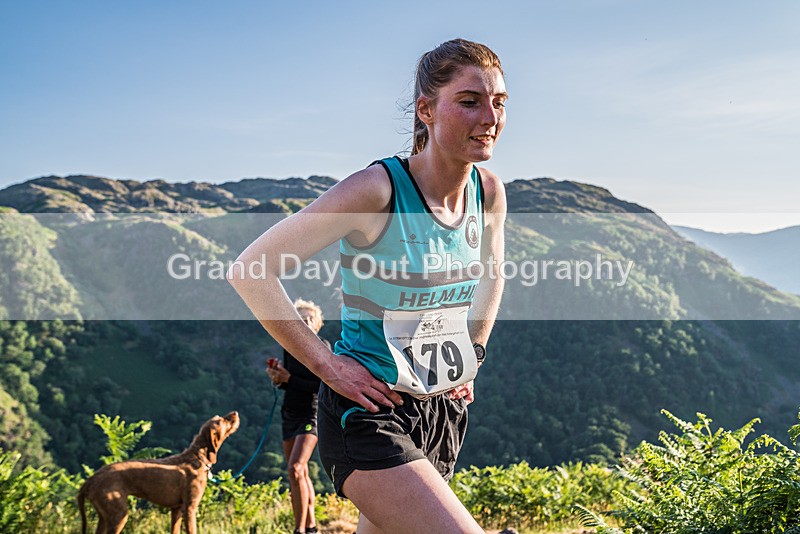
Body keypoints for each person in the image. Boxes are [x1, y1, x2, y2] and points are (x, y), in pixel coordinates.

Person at [229, 38, 507, 533]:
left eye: (499, 102)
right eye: (470, 101)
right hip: (367, 413)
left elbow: (493, 273)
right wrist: (327, 365)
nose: (490, 117)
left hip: (441, 411)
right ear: (426, 110)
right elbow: (250, 270)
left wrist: (475, 352)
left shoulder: (487, 192)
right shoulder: (377, 190)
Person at [266, 298, 328, 534]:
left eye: (309, 319)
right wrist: (278, 378)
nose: (305, 323)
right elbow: (288, 384)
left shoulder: (323, 347)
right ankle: (311, 527)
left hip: (312, 414)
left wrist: (289, 379)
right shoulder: (289, 347)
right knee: (299, 473)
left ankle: (299, 530)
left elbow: (323, 386)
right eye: (300, 319)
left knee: (295, 468)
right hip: (289, 413)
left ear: (317, 324)